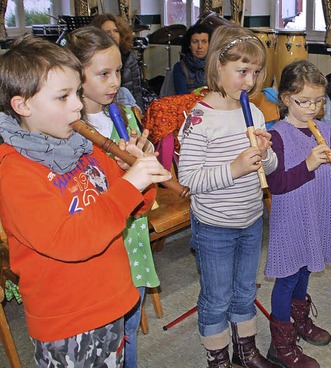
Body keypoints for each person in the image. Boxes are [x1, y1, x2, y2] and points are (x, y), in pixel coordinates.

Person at [0, 35, 170, 367]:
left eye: (77, 93)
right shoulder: (14, 172)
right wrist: (127, 187)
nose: (78, 105)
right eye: (63, 97)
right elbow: (71, 241)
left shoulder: (84, 147)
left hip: (112, 298)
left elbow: (132, 207)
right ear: (22, 105)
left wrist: (136, 174)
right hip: (69, 318)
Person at [177, 25, 277, 368]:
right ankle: (218, 356)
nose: (249, 81)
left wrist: (265, 155)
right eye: (242, 71)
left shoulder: (257, 111)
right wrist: (234, 169)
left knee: (246, 290)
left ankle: (245, 350)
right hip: (215, 225)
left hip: (250, 219)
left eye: (255, 72)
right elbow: (188, 178)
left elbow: (272, 164)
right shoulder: (200, 119)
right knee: (217, 297)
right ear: (218, 66)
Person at [65, 26, 161, 368]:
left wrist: (144, 157)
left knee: (129, 329)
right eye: (103, 73)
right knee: (102, 335)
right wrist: (123, 173)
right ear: (75, 76)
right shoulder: (68, 131)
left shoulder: (123, 117)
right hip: (101, 243)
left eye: (118, 71)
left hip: (132, 237)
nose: (114, 82)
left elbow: (143, 193)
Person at [265, 60, 331, 368]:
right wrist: (309, 164)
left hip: (316, 211)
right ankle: (281, 344)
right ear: (286, 99)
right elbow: (278, 184)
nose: (311, 108)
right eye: (303, 102)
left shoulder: (325, 129)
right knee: (287, 278)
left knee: (304, 271)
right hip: (290, 217)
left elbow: (324, 178)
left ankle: (299, 321)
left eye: (317, 102)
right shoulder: (277, 135)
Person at [92, 14, 145, 111]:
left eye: (115, 31)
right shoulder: (94, 58)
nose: (112, 35)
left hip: (126, 103)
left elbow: (137, 91)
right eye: (107, 32)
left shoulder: (129, 56)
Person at [173, 23, 211, 95]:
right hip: (189, 104)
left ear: (209, 44)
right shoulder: (180, 67)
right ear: (189, 45)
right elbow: (182, 96)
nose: (200, 46)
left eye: (204, 42)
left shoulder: (217, 65)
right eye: (195, 42)